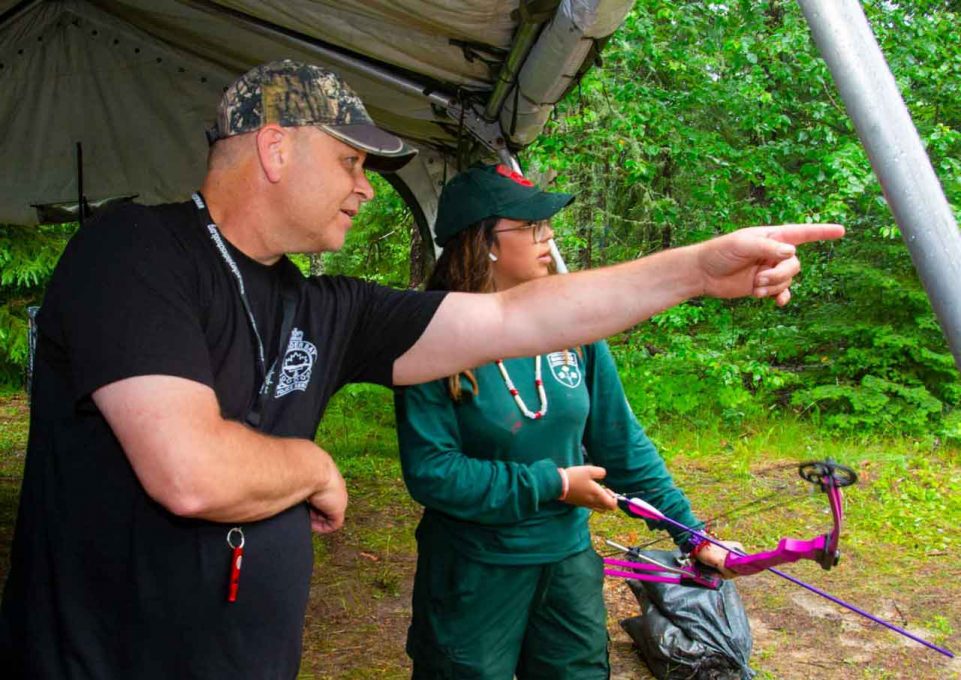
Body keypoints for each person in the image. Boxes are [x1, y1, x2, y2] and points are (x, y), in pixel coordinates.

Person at [0, 59, 841, 679]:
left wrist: (695, 270)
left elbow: (518, 316)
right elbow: (191, 473)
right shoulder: (135, 252)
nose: (366, 189)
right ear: (275, 147)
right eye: (352, 162)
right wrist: (313, 464)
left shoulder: (324, 304)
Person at [395, 164, 742, 679]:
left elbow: (620, 445)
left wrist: (690, 533)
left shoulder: (573, 327)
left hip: (567, 566)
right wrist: (553, 483)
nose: (548, 236)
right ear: (484, 241)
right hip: (474, 570)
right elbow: (432, 473)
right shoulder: (431, 333)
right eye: (531, 226)